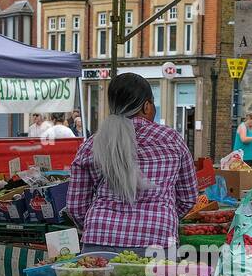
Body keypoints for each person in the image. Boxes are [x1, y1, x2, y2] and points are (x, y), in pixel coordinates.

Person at [66, 72, 197, 252]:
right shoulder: (171, 139)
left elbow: (76, 206)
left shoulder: (91, 144)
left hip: (100, 239)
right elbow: (188, 198)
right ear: (146, 106)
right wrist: (163, 215)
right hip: (157, 240)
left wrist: (99, 223)